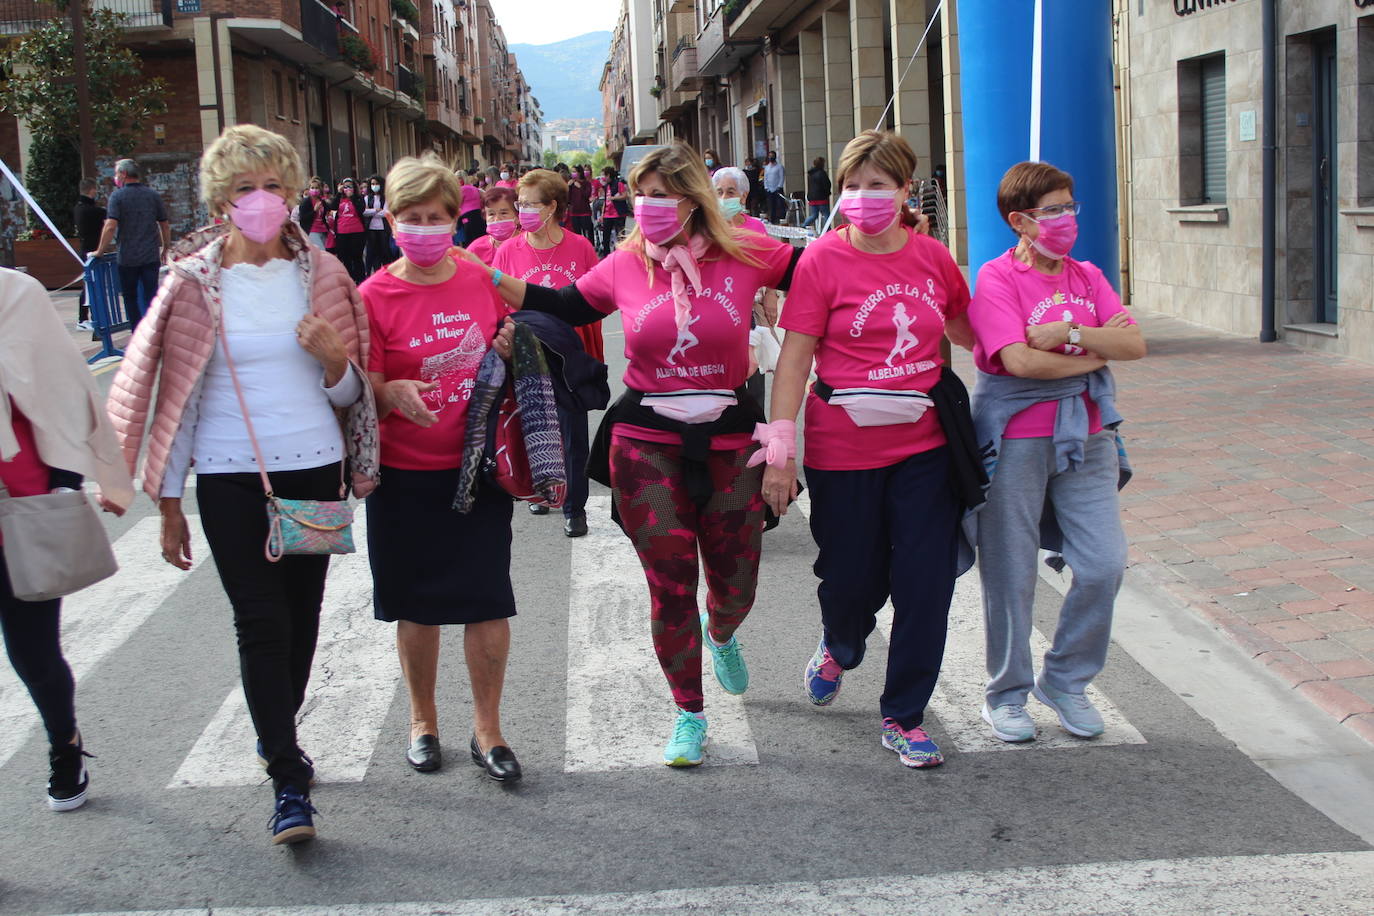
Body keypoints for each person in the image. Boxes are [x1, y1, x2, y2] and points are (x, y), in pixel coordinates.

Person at [472, 143, 802, 768]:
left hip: (731, 435)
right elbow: (564, 304)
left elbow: (817, 275)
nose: (647, 206)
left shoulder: (746, 251)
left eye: (662, 194)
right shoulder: (626, 263)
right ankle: (689, 713)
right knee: (669, 582)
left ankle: (724, 632)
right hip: (647, 440)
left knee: (735, 584)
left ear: (694, 197)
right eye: (639, 193)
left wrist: (882, 242)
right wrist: (486, 274)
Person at [107, 124, 378, 845]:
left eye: (273, 188)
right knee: (260, 623)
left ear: (294, 195)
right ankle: (289, 781)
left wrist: (332, 362)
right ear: (220, 201)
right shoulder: (193, 283)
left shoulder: (321, 275)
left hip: (316, 465)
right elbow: (176, 395)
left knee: (304, 619)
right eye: (242, 189)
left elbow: (355, 395)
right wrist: (169, 506)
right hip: (229, 477)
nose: (259, 201)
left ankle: (274, 735)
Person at [760, 130, 974, 770]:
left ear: (906, 191)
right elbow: (795, 360)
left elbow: (968, 328)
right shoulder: (822, 261)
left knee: (925, 584)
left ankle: (904, 715)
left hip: (925, 446)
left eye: (877, 185)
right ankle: (840, 642)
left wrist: (1037, 340)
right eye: (852, 186)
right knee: (852, 579)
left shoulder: (932, 257)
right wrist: (780, 447)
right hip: (842, 446)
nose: (862, 197)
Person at [968, 161, 1145, 744]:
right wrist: (1099, 348)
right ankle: (1008, 693)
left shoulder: (1087, 275)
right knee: (1011, 573)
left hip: (1088, 435)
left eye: (1071, 207)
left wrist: (1071, 337)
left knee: (1102, 564)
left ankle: (1065, 679)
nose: (1067, 219)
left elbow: (1135, 342)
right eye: (1054, 210)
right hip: (1016, 439)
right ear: (1020, 221)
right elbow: (1019, 362)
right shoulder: (995, 280)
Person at [361, 153, 522, 783]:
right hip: (404, 475)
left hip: (477, 469)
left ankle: (489, 730)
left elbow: (521, 337)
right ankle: (423, 722)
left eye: (436, 217)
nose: (423, 228)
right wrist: (390, 391)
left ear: (457, 220)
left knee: (487, 601)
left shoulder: (482, 279)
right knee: (417, 605)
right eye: (411, 217)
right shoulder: (373, 294)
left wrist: (511, 350)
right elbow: (363, 385)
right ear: (392, 220)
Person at [0, 268, 134, 812]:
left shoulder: (18, 296)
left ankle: (64, 744)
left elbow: (65, 390)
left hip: (22, 505)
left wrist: (65, 480)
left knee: (31, 650)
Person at [493, 168, 601, 538]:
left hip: (569, 357)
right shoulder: (508, 250)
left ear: (553, 206)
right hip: (526, 357)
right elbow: (495, 302)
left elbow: (595, 300)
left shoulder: (580, 248)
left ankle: (575, 507)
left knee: (572, 435)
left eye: (529, 204)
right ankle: (540, 490)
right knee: (530, 428)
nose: (522, 212)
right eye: (519, 204)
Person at [92, 158, 169, 330]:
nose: (116, 177)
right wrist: (166, 247)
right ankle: (155, 332)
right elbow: (164, 224)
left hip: (127, 257)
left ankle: (137, 333)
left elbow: (111, 225)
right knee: (151, 297)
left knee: (130, 297)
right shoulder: (152, 195)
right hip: (150, 256)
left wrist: (99, 251)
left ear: (124, 174)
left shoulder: (117, 196)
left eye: (117, 173)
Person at [73, 178, 106, 331]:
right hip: (90, 251)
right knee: (90, 286)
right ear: (92, 190)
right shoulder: (92, 211)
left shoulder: (79, 208)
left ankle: (90, 317)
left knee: (90, 285)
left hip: (87, 249)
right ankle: (84, 318)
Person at [466, 186, 518, 266]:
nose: (497, 219)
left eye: (503, 213)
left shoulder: (530, 243)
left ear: (517, 216)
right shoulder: (476, 249)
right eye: (491, 214)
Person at [331, 177, 367, 283]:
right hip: (342, 232)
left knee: (357, 257)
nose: (347, 189)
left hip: (357, 231)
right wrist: (338, 193)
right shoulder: (339, 198)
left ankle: (360, 279)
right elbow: (332, 207)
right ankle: (349, 280)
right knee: (345, 257)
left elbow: (361, 210)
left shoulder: (359, 198)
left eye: (350, 186)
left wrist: (353, 198)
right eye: (345, 186)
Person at [361, 175, 393, 275]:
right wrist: (375, 210)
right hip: (371, 228)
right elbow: (364, 212)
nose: (374, 186)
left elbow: (386, 212)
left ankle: (387, 272)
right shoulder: (367, 198)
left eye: (376, 184)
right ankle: (372, 272)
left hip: (383, 228)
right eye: (372, 184)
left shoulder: (385, 198)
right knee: (371, 252)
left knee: (384, 251)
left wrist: (374, 212)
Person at [597, 166, 627, 256]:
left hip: (618, 214)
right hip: (607, 215)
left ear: (608, 175)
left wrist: (614, 198)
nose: (603, 178)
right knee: (605, 237)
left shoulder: (618, 184)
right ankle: (606, 255)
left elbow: (625, 195)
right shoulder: (606, 186)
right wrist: (602, 214)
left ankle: (622, 254)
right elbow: (605, 201)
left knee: (620, 236)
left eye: (604, 176)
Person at [298, 177, 330, 249]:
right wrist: (314, 211)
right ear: (309, 189)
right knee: (322, 251)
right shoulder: (306, 202)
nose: (314, 190)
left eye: (316, 188)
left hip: (322, 229)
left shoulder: (322, 201)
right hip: (312, 230)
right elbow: (303, 218)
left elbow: (328, 211)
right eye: (312, 187)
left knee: (326, 252)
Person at [457, 173, 486, 246]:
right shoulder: (474, 188)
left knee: (470, 241)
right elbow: (484, 196)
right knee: (481, 238)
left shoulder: (461, 190)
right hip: (478, 215)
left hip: (467, 217)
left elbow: (457, 204)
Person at [567, 165, 595, 242]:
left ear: (579, 173)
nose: (573, 173)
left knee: (587, 233)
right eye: (572, 172)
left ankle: (590, 247)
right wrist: (568, 187)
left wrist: (580, 187)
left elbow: (587, 195)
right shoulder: (571, 184)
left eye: (574, 171)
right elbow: (568, 200)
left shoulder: (586, 183)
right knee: (577, 235)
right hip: (574, 212)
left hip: (584, 212)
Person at [803, 157, 832, 231]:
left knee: (814, 215)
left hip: (812, 198)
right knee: (826, 215)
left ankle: (803, 225)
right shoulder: (822, 173)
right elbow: (827, 185)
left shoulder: (811, 174)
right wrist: (827, 193)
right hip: (821, 197)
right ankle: (827, 230)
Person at [762, 150, 785, 223]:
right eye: (770, 156)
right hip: (769, 189)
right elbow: (765, 178)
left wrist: (779, 186)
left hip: (777, 189)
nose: (771, 157)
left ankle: (781, 219)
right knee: (771, 205)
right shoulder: (767, 167)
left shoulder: (779, 167)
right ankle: (772, 219)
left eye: (772, 156)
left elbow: (781, 177)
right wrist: (766, 187)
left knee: (780, 205)